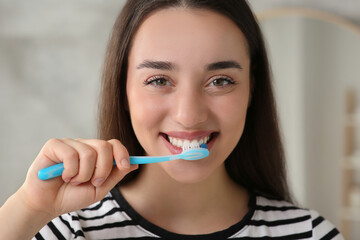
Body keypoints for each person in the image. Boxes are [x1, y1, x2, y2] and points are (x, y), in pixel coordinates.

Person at [0, 0, 344, 239]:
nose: (189, 115)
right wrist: (28, 208)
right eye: (159, 81)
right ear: (123, 91)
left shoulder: (310, 234)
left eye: (220, 81)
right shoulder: (70, 231)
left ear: (252, 91)